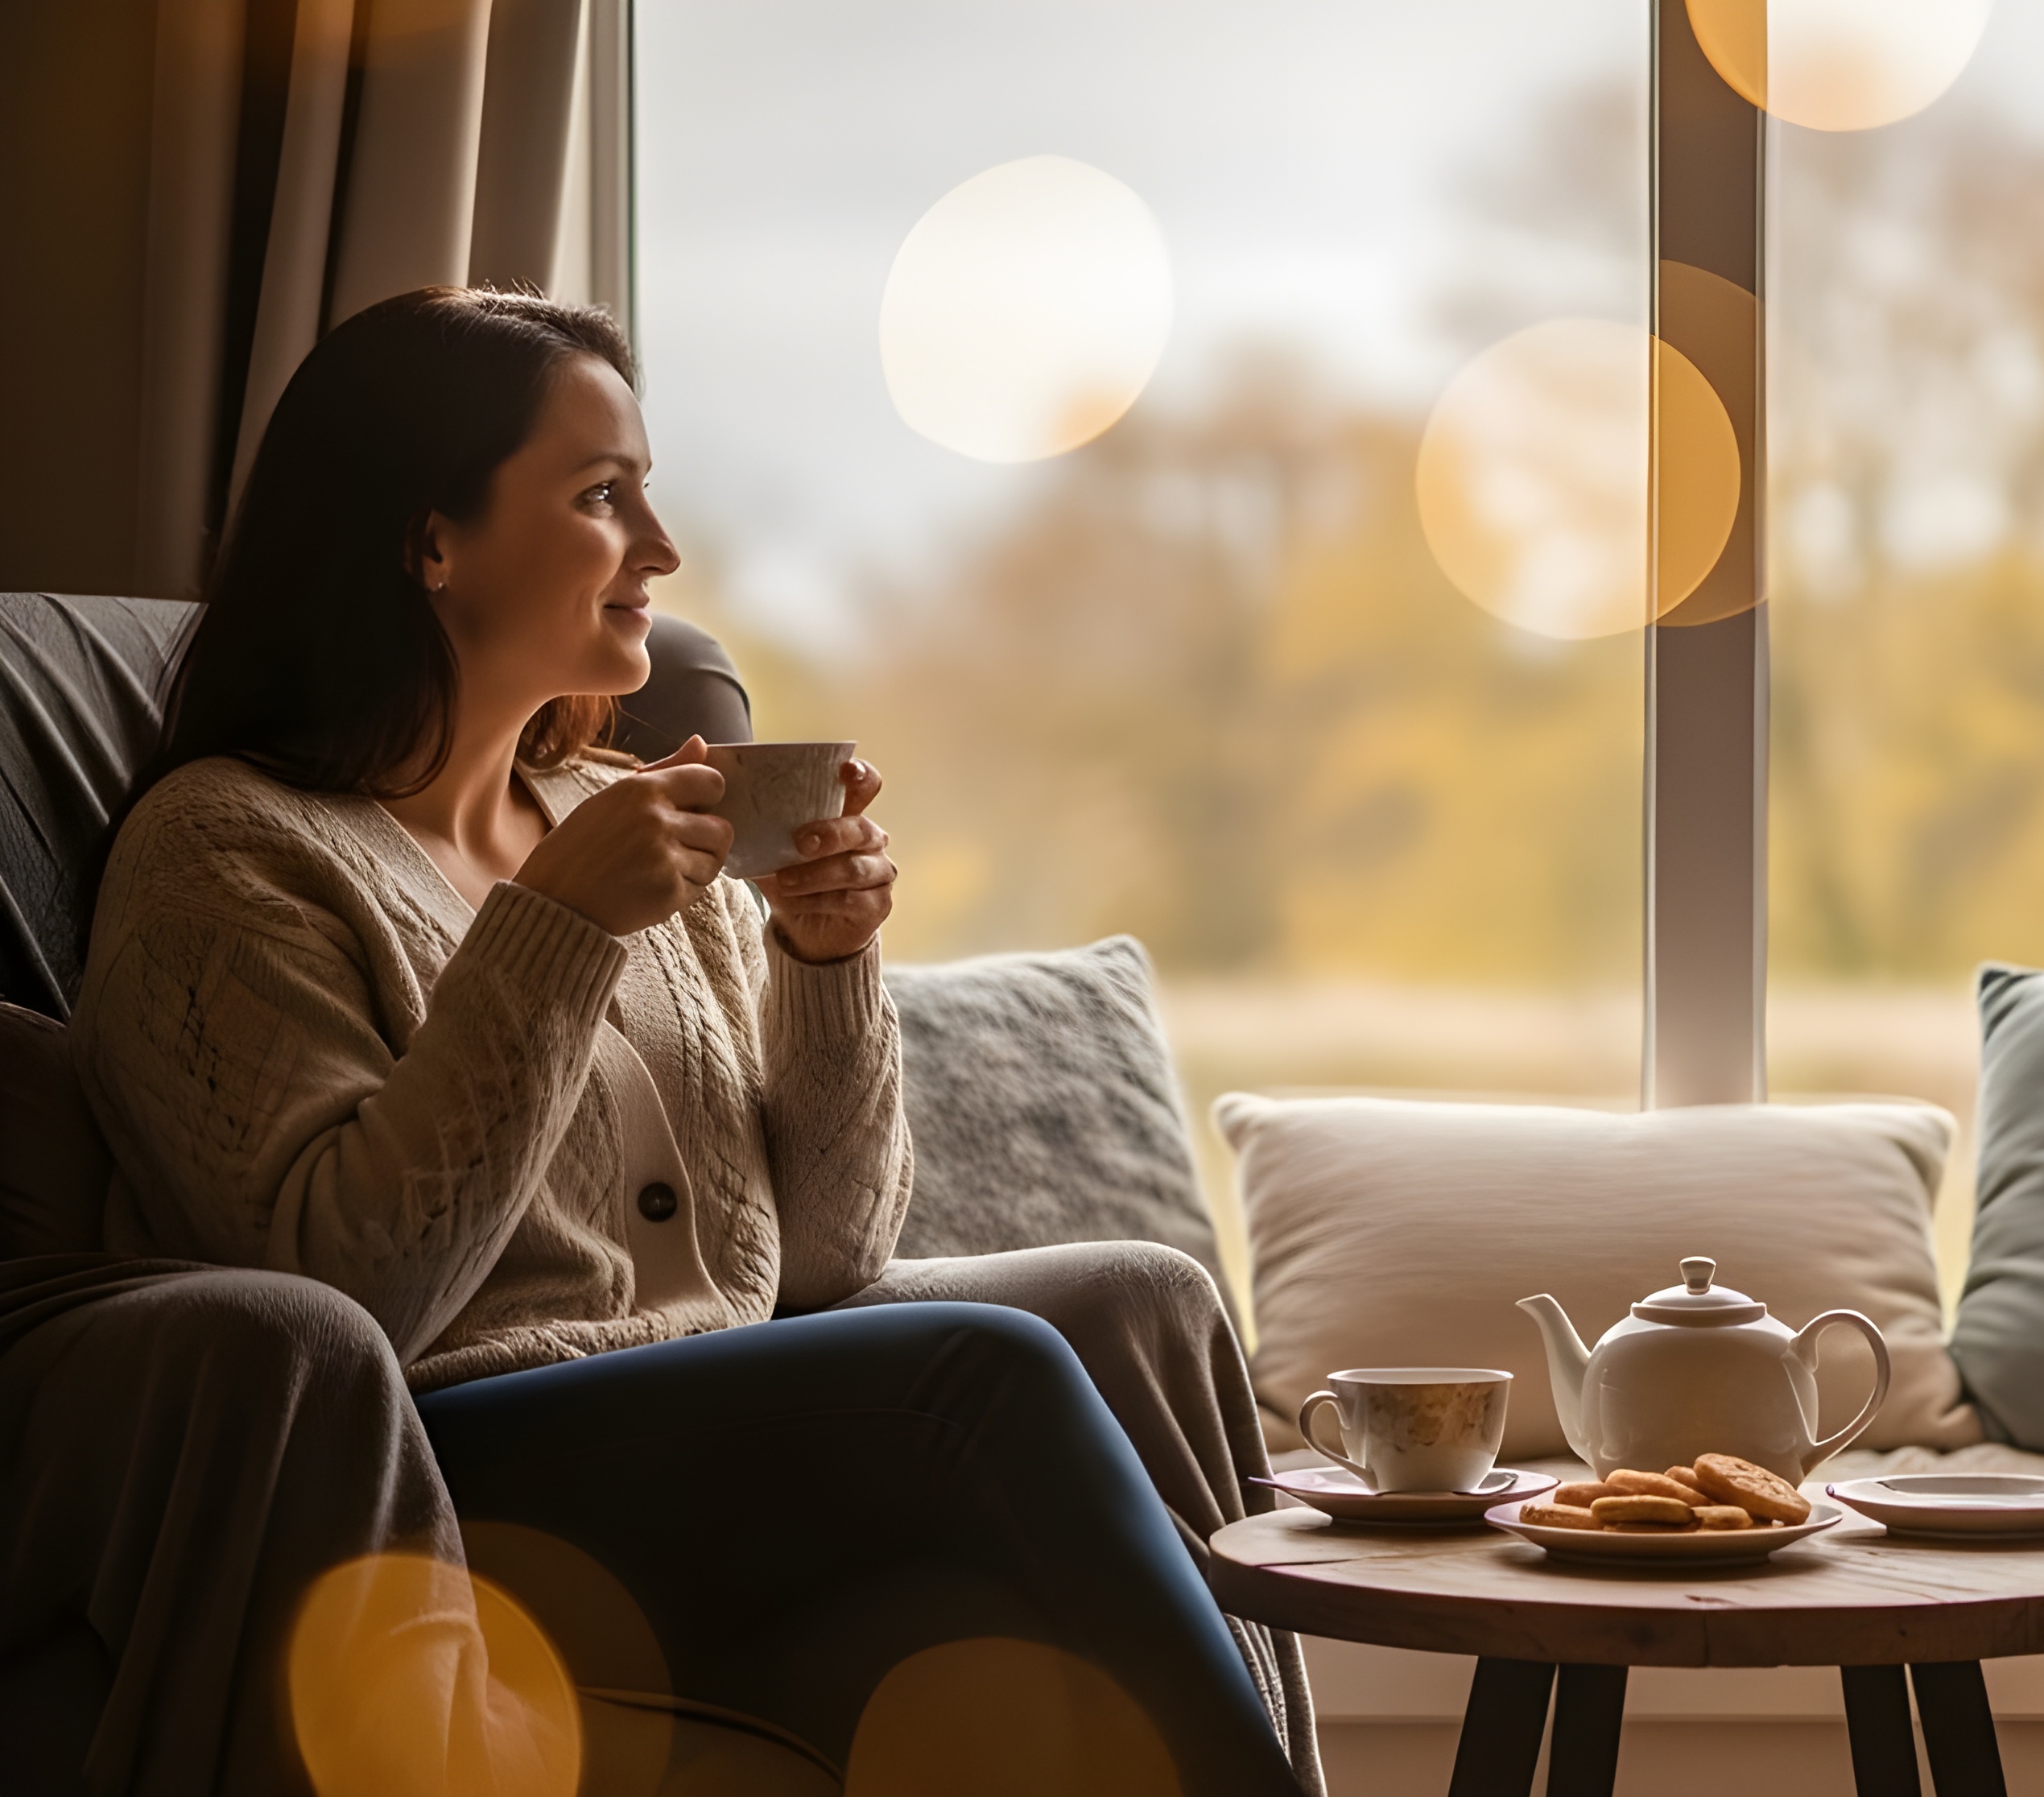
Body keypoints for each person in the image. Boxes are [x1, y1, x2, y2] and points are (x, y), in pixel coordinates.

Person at [68, 286, 1310, 1793]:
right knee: (973, 1374)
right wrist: (555, 932)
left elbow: (827, 1265)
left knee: (1148, 1297)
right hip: (461, 1466)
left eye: (647, 493)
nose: (659, 551)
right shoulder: (228, 854)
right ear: (429, 538)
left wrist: (823, 960)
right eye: (603, 497)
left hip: (727, 1426)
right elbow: (351, 1290)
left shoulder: (625, 815)